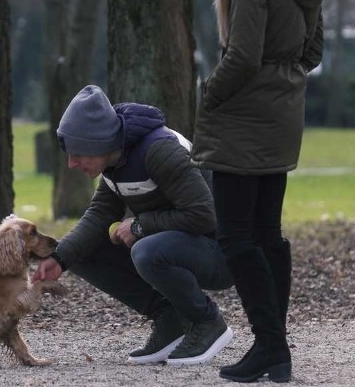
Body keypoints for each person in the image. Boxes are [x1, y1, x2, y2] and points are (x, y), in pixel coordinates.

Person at [190, 0, 351, 383]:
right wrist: (283, 78)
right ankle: (273, 348)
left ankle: (271, 346)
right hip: (283, 110)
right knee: (266, 232)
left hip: (242, 115)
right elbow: (313, 50)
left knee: (236, 237)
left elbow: (242, 55)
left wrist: (209, 95)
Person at [32, 85, 234, 365]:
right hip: (177, 246)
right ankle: (169, 318)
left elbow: (203, 215)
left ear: (97, 143)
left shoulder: (158, 149)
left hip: (221, 254)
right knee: (80, 251)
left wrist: (139, 226)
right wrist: (60, 258)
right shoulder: (114, 162)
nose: (71, 164)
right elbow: (99, 214)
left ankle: (207, 321)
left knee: (147, 249)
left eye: (77, 153)